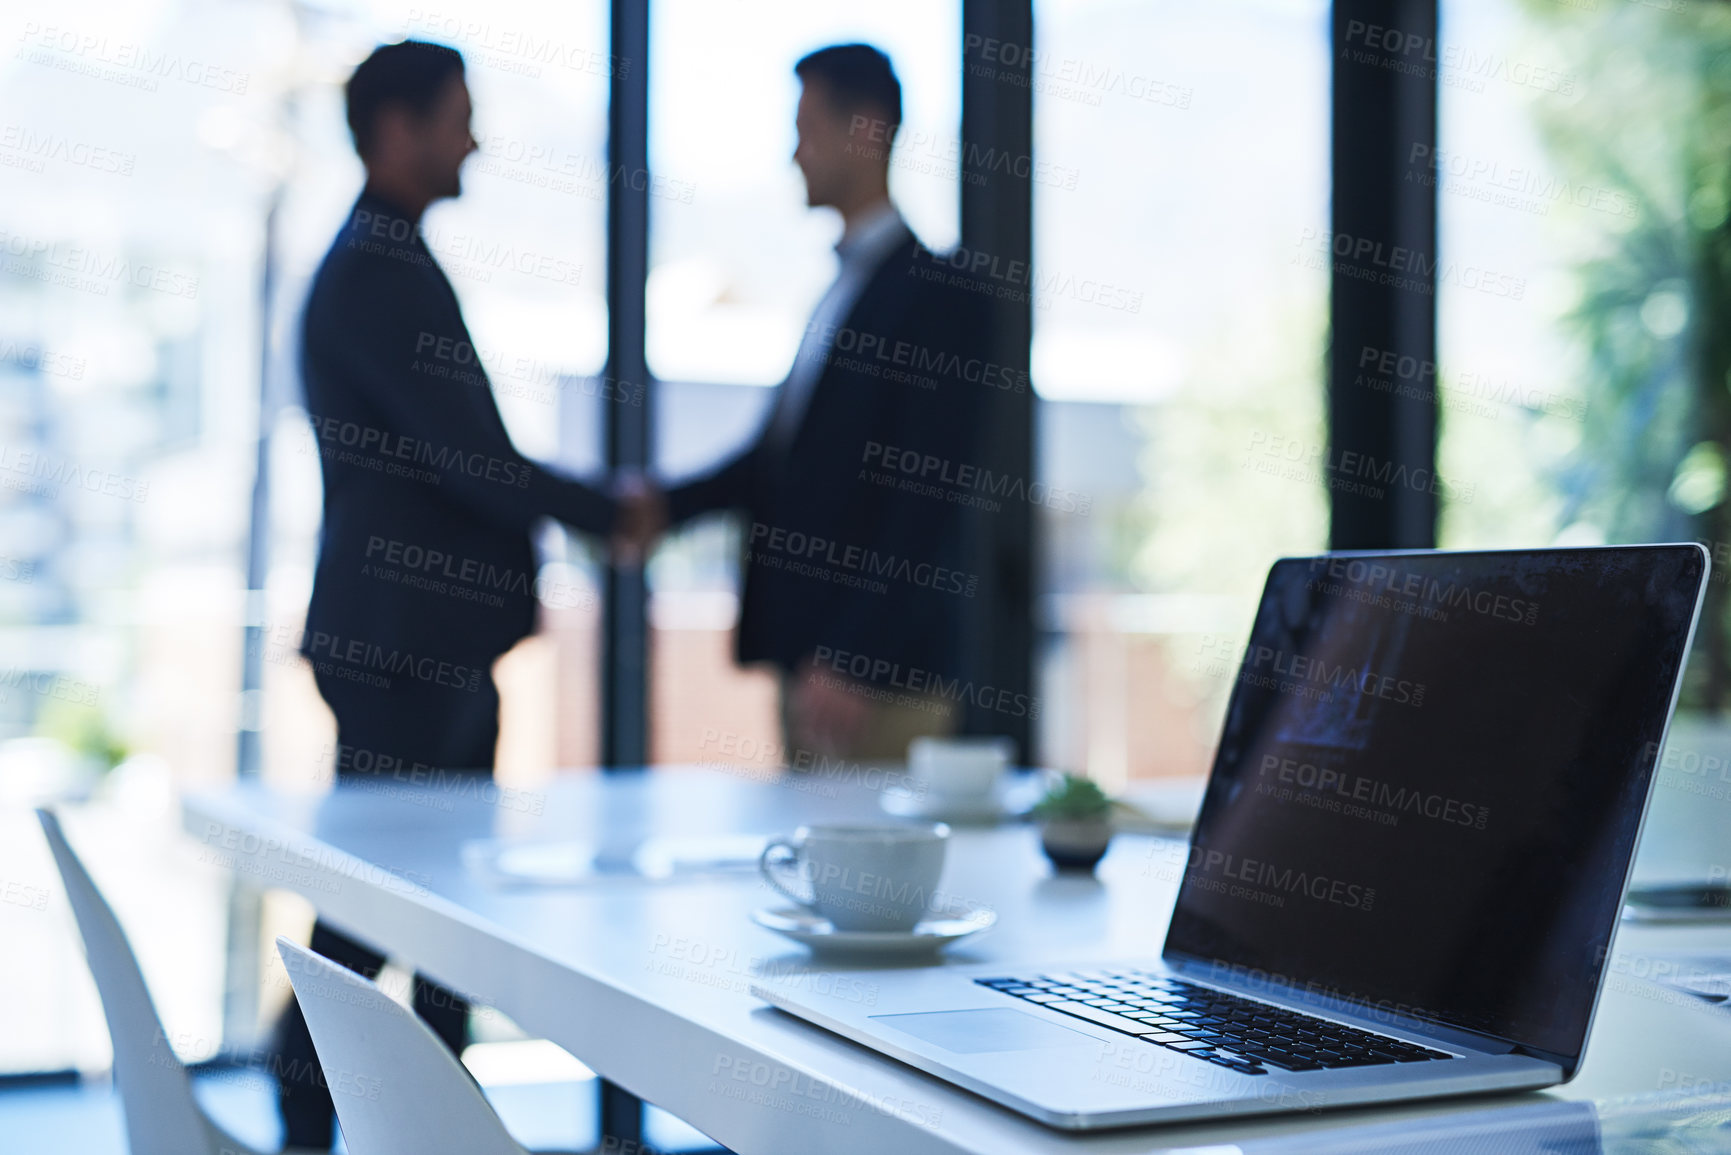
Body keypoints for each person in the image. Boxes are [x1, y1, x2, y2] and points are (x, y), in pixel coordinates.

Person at [271, 41, 614, 1149]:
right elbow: (470, 459)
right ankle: (326, 1105)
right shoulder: (379, 272)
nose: (475, 140)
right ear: (397, 127)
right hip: (403, 649)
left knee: (417, 914)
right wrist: (611, 509)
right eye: (458, 118)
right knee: (386, 916)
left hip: (414, 642)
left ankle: (407, 1121)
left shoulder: (385, 259)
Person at [619, 44, 998, 762]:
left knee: (876, 871)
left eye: (807, 129)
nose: (794, 155)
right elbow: (782, 462)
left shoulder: (940, 297)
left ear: (867, 130)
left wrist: (859, 655)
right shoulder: (839, 289)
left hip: (874, 681)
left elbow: (925, 495)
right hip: (815, 661)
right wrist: (660, 506)